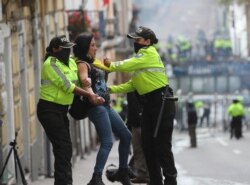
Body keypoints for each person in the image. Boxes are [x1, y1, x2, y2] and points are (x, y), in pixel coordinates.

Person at [104, 26, 178, 185]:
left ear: (148, 41)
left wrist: (111, 65)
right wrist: (111, 89)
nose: (135, 42)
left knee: (162, 146)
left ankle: (171, 181)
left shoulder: (148, 53)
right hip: (150, 105)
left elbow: (126, 65)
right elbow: (132, 84)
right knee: (148, 146)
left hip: (161, 103)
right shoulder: (141, 58)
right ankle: (155, 181)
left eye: (138, 39)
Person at [36, 35, 104, 185]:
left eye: (69, 48)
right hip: (49, 110)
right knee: (63, 148)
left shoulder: (71, 63)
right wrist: (89, 95)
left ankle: (64, 182)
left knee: (64, 148)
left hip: (61, 111)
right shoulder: (51, 64)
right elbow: (68, 86)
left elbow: (79, 79)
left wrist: (86, 81)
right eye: (64, 49)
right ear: (55, 50)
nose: (68, 51)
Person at [73, 32, 132, 185]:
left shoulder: (94, 62)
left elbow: (100, 80)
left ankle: (123, 172)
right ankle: (96, 178)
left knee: (126, 135)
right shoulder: (82, 64)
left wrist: (107, 66)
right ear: (85, 48)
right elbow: (85, 81)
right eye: (92, 45)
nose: (96, 48)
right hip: (95, 107)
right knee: (107, 142)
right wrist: (91, 92)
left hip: (105, 105)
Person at [126, 92, 149, 184]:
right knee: (137, 150)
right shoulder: (131, 86)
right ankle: (141, 175)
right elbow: (131, 107)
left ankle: (150, 175)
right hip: (134, 122)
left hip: (145, 122)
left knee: (147, 150)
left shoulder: (143, 83)